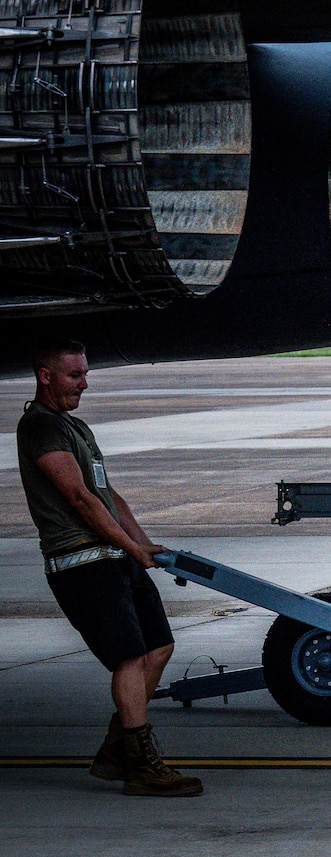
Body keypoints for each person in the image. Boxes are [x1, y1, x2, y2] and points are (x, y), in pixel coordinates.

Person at [17, 340, 200, 797]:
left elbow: (107, 495)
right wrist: (129, 548)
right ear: (46, 376)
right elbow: (78, 498)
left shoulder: (75, 427)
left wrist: (141, 543)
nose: (84, 382)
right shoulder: (40, 427)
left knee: (159, 647)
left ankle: (117, 750)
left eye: (85, 373)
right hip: (80, 560)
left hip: (114, 554)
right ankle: (140, 766)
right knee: (129, 658)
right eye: (75, 375)